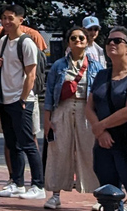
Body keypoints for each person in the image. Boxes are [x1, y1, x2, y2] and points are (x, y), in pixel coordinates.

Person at [42, 26, 102, 209]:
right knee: (59, 151)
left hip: (87, 109)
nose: (78, 41)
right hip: (62, 109)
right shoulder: (59, 65)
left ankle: (98, 196)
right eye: (74, 38)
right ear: (68, 42)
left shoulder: (95, 66)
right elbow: (50, 93)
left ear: (87, 40)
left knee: (89, 152)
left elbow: (99, 93)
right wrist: (47, 120)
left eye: (81, 38)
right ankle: (55, 194)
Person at [86, 27, 127, 211]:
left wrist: (100, 126)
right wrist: (99, 131)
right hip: (103, 145)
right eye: (109, 41)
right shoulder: (102, 75)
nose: (111, 43)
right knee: (108, 195)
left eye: (117, 41)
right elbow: (89, 106)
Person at [0, 4, 45, 201]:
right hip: (5, 99)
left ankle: (38, 185)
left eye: (11, 18)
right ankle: (17, 183)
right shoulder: (4, 40)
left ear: (21, 20)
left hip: (21, 100)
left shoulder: (27, 43)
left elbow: (31, 75)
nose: (7, 22)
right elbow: (2, 64)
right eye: (4, 18)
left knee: (28, 144)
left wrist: (23, 99)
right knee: (12, 144)